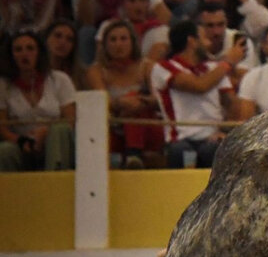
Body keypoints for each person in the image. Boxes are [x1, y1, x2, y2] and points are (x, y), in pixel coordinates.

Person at [150, 19, 245, 168]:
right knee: (180, 151)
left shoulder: (214, 67)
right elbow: (200, 85)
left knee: (216, 149)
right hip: (180, 138)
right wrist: (228, 62)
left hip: (212, 137)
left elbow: (232, 103)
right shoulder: (164, 67)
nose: (209, 43)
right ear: (192, 41)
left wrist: (224, 130)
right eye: (204, 38)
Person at [84, 18, 161, 168]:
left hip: (146, 128)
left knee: (133, 103)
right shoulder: (96, 71)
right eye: (113, 40)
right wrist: (120, 103)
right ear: (105, 45)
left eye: (123, 39)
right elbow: (101, 102)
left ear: (132, 42)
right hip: (113, 126)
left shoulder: (147, 67)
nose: (118, 44)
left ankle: (134, 154)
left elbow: (158, 100)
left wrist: (139, 102)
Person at [0, 28, 76, 172]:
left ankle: (54, 179)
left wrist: (46, 132)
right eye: (18, 50)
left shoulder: (60, 79)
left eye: (30, 48)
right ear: (11, 55)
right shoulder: (3, 85)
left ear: (39, 53)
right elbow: (2, 127)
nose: (24, 54)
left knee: (60, 130)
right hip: (21, 144)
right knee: (4, 150)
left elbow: (70, 120)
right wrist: (21, 141)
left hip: (54, 141)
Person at [198, 1, 257, 88]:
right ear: (200, 27)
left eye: (221, 24)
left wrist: (211, 73)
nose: (216, 32)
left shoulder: (240, 41)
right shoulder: (193, 44)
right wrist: (229, 61)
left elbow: (243, 81)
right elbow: (193, 80)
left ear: (227, 23)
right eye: (210, 25)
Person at [45, 19, 86, 88]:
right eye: (58, 36)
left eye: (69, 39)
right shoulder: (34, 69)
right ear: (46, 39)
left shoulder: (81, 75)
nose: (63, 42)